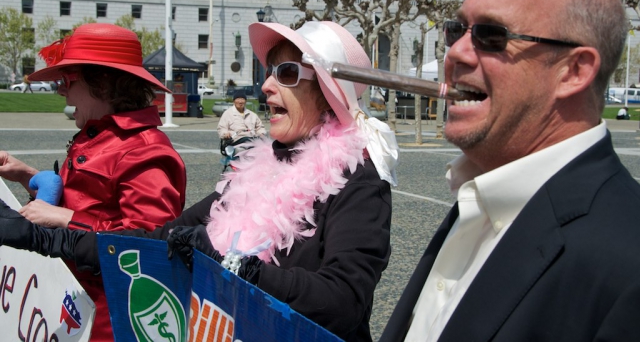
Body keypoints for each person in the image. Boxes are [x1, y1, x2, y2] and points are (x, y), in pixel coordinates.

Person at [0, 21, 399, 342]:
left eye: (287, 73)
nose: (265, 85)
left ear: (327, 93)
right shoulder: (255, 170)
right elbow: (156, 240)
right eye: (268, 72)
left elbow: (344, 301)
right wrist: (43, 238)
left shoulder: (360, 183)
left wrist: (235, 268)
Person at [378, 0, 640, 342]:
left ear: (573, 71)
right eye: (456, 30)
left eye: (491, 36)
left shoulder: (628, 261)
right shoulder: (481, 195)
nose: (456, 52)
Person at [0, 23, 187, 342]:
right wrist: (27, 175)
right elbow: (84, 200)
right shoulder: (103, 134)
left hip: (106, 320)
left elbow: (150, 245)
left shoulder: (145, 151)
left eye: (67, 80)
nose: (61, 91)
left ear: (102, 84)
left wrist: (67, 218)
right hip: (70, 302)